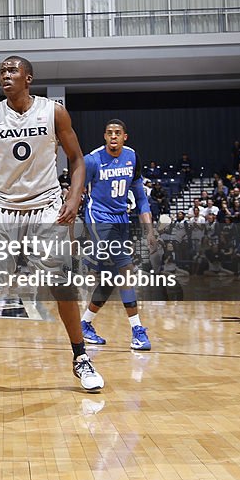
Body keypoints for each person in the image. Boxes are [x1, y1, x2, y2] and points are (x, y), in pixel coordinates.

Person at [0, 56, 104, 399]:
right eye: (2, 71)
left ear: (29, 78)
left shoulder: (54, 112)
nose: (5, 76)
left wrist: (74, 196)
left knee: (61, 287)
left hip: (46, 208)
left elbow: (77, 159)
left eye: (12, 71)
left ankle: (81, 358)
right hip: (4, 211)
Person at [78, 120, 156, 351]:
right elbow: (76, 190)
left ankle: (85, 323)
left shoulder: (132, 157)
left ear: (125, 137)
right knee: (125, 270)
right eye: (110, 133)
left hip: (121, 219)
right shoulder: (92, 160)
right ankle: (137, 330)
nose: (113, 136)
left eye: (118, 133)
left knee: (112, 278)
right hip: (98, 219)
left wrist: (149, 230)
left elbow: (141, 199)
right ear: (104, 136)